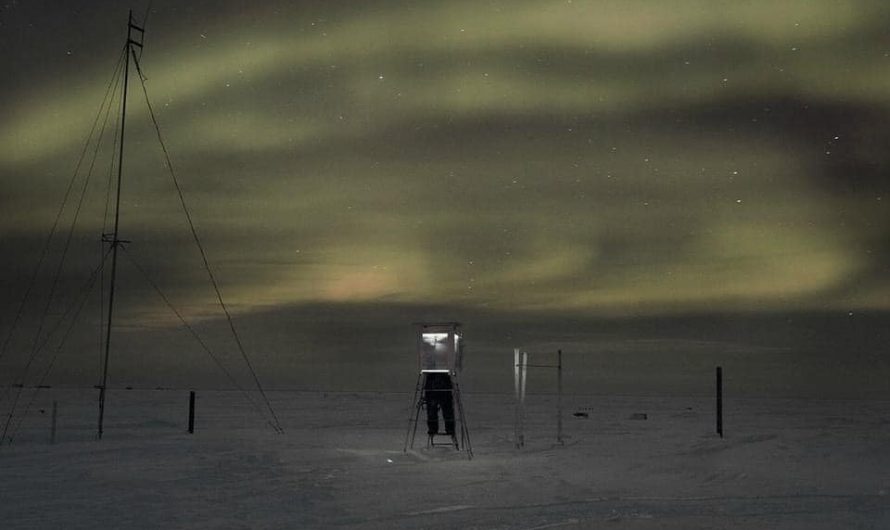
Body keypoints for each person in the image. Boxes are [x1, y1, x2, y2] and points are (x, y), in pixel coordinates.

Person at [424, 372, 455, 437]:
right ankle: (435, 428)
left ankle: (448, 428)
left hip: (439, 381)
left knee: (446, 409)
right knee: (434, 409)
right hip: (435, 382)